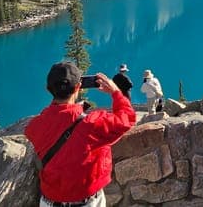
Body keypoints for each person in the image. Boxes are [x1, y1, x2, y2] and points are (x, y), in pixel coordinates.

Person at [26, 61, 135, 207]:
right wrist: (116, 93)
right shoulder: (93, 123)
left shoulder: (35, 126)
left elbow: (53, 123)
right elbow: (127, 118)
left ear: (48, 89)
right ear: (78, 87)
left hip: (49, 201)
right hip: (87, 201)